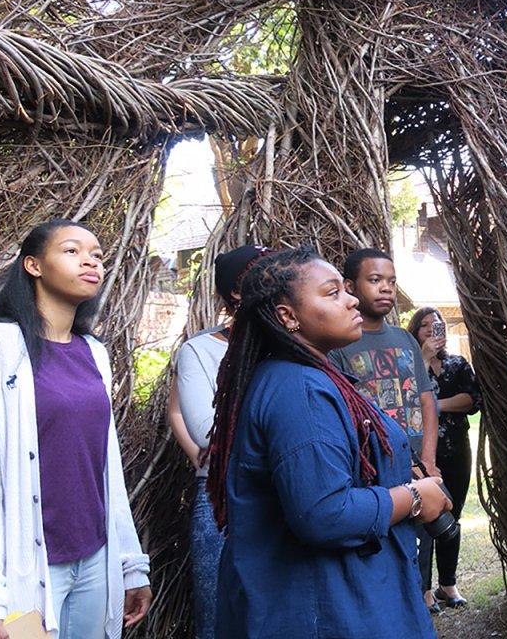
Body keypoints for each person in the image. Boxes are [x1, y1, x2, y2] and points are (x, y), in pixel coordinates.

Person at [206, 246, 450, 638]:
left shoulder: (308, 378)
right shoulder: (299, 392)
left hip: (336, 599)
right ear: (287, 316)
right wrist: (414, 497)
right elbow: (324, 513)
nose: (352, 300)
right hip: (320, 611)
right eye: (332, 292)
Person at [0, 219, 152, 639]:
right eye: (72, 251)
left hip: (95, 562)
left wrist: (129, 563)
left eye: (97, 255)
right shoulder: (0, 347)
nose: (90, 262)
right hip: (25, 571)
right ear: (33, 265)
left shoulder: (94, 353)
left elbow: (106, 465)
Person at [327, 248, 441, 610]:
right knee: (376, 556)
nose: (386, 289)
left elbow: (426, 401)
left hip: (415, 468)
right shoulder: (341, 343)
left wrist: (428, 459)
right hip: (373, 473)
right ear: (350, 286)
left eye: (391, 281)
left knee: (415, 550)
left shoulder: (406, 341)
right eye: (374, 280)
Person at [167, 244, 264, 639]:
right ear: (236, 292)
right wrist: (202, 460)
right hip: (222, 496)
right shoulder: (200, 350)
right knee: (219, 616)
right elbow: (208, 427)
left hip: (286, 493)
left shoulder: (293, 346)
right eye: (266, 272)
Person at [407, 307, 481, 609]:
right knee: (423, 521)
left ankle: (447, 584)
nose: (434, 331)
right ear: (415, 331)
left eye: (438, 326)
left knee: (453, 517)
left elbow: (472, 400)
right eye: (426, 326)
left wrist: (433, 404)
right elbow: (409, 398)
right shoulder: (409, 365)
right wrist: (422, 359)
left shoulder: (457, 363)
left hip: (456, 450)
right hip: (423, 455)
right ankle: (423, 590)